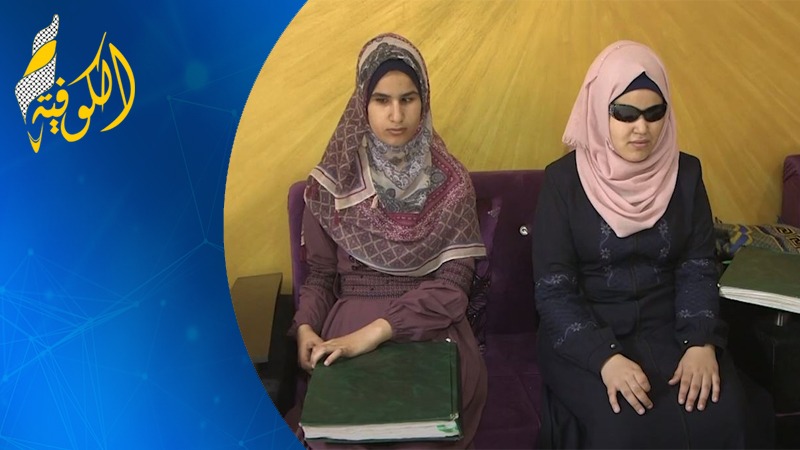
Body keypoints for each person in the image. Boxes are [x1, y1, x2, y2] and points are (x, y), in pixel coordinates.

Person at [532, 40, 750, 448]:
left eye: (654, 113)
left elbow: (698, 266)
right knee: (626, 428)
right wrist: (604, 358)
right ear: (599, 110)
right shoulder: (563, 182)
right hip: (588, 333)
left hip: (671, 328)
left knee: (723, 412)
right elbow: (554, 290)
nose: (642, 128)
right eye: (625, 114)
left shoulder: (685, 174)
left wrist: (699, 342)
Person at [289, 33, 488, 448]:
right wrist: (306, 327)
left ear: (424, 101)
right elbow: (321, 276)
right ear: (362, 104)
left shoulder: (452, 182)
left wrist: (377, 332)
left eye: (407, 99)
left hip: (429, 329)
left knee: (421, 436)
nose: (396, 115)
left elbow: (454, 286)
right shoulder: (332, 184)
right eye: (381, 100)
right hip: (347, 329)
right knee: (342, 437)